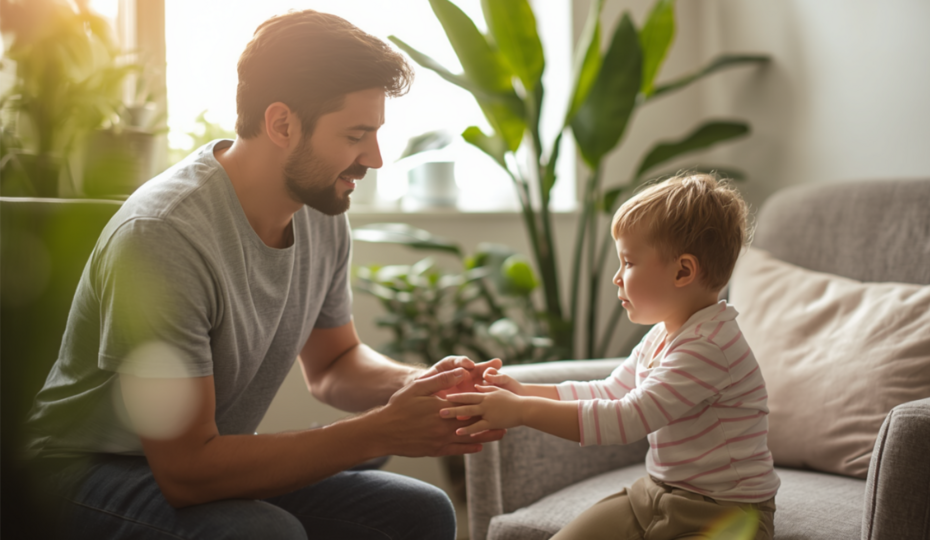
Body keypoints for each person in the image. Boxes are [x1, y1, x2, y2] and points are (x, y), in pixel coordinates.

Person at [23, 10, 503, 540]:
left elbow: (334, 365)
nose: (375, 158)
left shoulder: (320, 207)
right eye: (356, 135)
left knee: (421, 511)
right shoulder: (165, 235)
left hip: (195, 457)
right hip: (82, 475)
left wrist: (419, 385)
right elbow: (186, 472)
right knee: (262, 532)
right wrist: (378, 431)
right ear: (282, 124)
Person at [441, 173, 780, 539]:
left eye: (629, 263)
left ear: (683, 271)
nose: (617, 278)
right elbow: (610, 391)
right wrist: (522, 391)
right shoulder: (663, 334)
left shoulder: (710, 347)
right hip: (656, 493)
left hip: (726, 512)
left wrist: (522, 411)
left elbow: (628, 418)